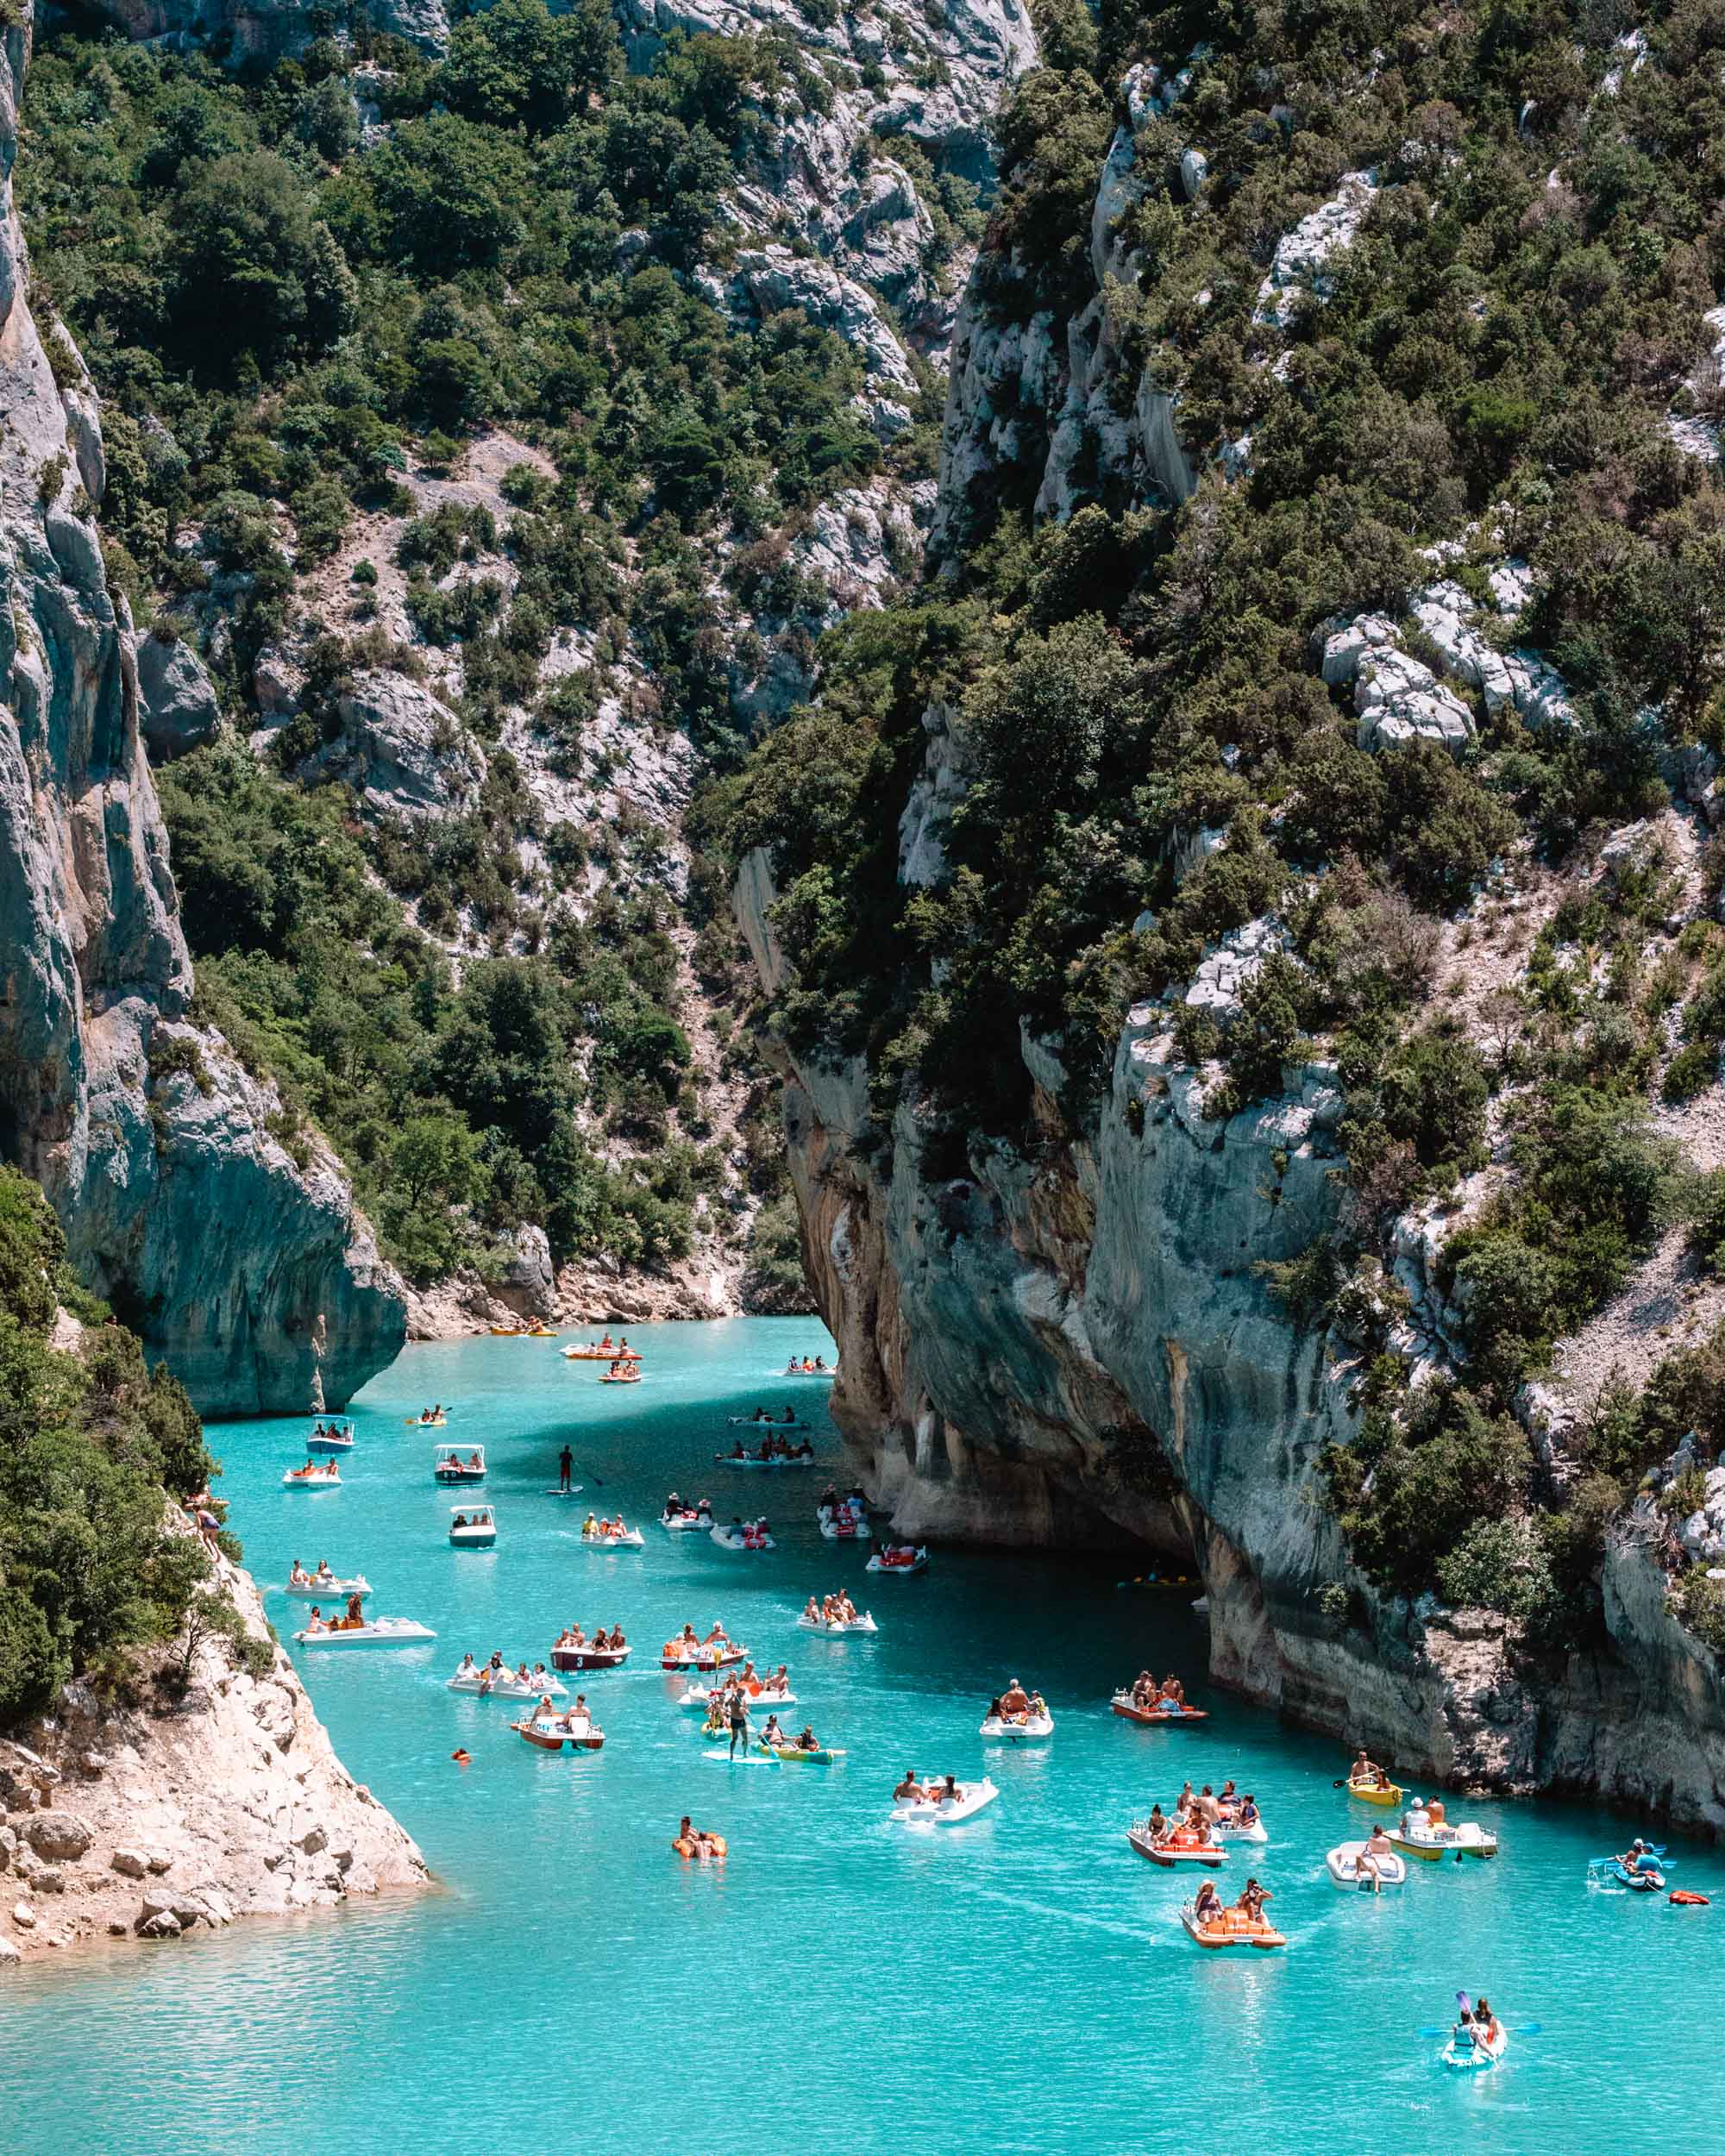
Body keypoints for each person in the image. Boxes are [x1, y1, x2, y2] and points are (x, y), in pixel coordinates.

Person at [728, 1688, 750, 1758]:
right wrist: (732, 1697)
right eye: (743, 1692)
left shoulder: (743, 1700)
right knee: (735, 1738)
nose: (744, 1694)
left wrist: (746, 1711)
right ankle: (731, 1754)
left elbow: (746, 1709)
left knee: (745, 1738)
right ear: (738, 1691)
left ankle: (745, 1752)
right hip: (734, 1720)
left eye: (744, 1692)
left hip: (742, 1720)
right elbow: (726, 1704)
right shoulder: (733, 1699)